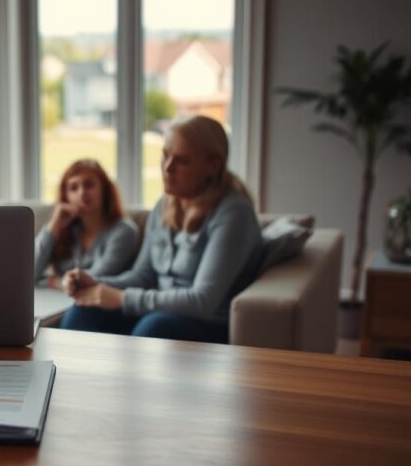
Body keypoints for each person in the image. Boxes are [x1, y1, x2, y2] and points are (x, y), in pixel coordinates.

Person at [59, 115, 262, 344]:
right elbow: (143, 275)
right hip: (158, 311)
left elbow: (203, 301)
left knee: (154, 327)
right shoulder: (164, 205)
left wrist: (122, 298)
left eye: (182, 161)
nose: (167, 167)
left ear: (212, 165)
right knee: (81, 312)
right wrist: (94, 282)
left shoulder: (234, 213)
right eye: (165, 155)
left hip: (208, 323)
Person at [34, 159, 137, 289]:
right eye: (73, 188)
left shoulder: (124, 231)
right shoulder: (65, 229)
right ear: (66, 196)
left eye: (89, 185)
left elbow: (92, 280)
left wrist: (53, 282)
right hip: (56, 300)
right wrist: (54, 226)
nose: (82, 193)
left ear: (104, 190)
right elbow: (28, 273)